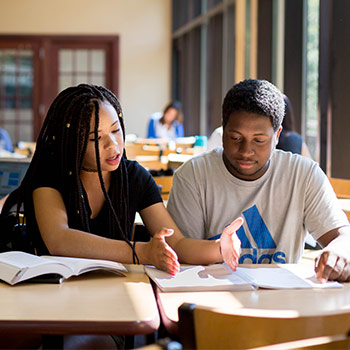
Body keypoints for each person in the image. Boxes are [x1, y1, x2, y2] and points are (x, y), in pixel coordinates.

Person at [2, 84, 243, 348]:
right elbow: (60, 239)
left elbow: (178, 245)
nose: (113, 144)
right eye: (96, 139)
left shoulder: (134, 178)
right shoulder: (52, 175)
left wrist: (219, 247)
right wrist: (143, 253)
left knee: (92, 343)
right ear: (70, 142)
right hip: (49, 303)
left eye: (116, 130)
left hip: (111, 306)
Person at [167, 79, 350, 283]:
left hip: (285, 301)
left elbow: (343, 236)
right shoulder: (193, 175)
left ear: (277, 135)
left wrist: (338, 252)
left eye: (259, 140)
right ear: (222, 130)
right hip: (212, 300)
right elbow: (179, 253)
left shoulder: (303, 175)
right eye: (235, 138)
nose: (246, 151)